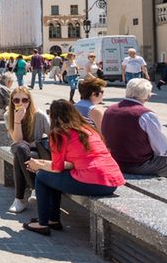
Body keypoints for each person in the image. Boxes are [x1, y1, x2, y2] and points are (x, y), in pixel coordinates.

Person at [22, 100, 125, 235]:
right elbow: (72, 163)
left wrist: (37, 166)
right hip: (111, 183)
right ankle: (53, 220)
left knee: (42, 176)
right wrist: (41, 163)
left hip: (91, 182)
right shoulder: (89, 130)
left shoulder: (59, 133)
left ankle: (42, 223)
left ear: (53, 116)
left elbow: (57, 168)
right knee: (51, 177)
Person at [102, 79, 167, 189]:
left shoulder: (109, 110)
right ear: (147, 96)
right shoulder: (146, 115)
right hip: (137, 164)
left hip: (114, 160)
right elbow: (161, 149)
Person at [5, 86, 51, 213]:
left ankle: (20, 199)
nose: (21, 103)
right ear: (12, 102)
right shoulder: (8, 116)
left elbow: (52, 136)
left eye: (24, 100)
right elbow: (17, 140)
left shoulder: (39, 115)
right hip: (22, 150)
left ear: (29, 101)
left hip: (38, 152)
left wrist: (34, 143)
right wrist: (17, 120)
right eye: (16, 100)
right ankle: (35, 188)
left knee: (18, 157)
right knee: (20, 149)